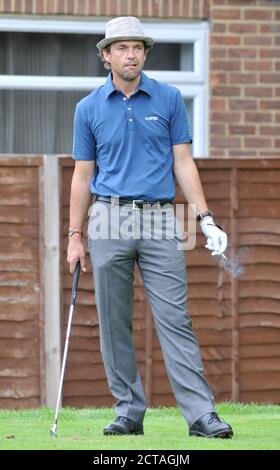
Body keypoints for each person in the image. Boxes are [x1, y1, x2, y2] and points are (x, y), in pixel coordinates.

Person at [67, 16, 233, 439]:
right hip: (107, 216)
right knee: (113, 319)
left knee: (175, 318)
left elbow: (183, 162)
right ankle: (128, 411)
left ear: (144, 53)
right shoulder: (87, 108)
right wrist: (74, 235)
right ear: (106, 56)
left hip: (163, 217)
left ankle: (201, 415)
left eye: (137, 47)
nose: (131, 54)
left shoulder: (169, 98)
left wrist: (205, 218)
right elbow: (82, 175)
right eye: (121, 47)